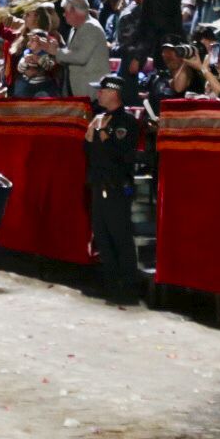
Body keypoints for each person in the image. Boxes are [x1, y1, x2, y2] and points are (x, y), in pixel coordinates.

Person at [84, 73, 145, 301]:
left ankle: (128, 286)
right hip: (98, 184)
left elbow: (120, 154)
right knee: (102, 236)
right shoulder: (99, 118)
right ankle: (111, 283)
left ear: (113, 93)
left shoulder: (126, 122)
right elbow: (89, 151)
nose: (98, 93)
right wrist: (92, 136)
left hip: (118, 186)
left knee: (120, 236)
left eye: (102, 90)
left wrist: (102, 133)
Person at [56, 0, 111, 100]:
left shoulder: (91, 27)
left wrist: (56, 52)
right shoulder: (74, 29)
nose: (64, 15)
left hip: (90, 93)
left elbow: (80, 57)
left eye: (65, 11)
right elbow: (69, 56)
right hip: (76, 91)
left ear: (74, 11)